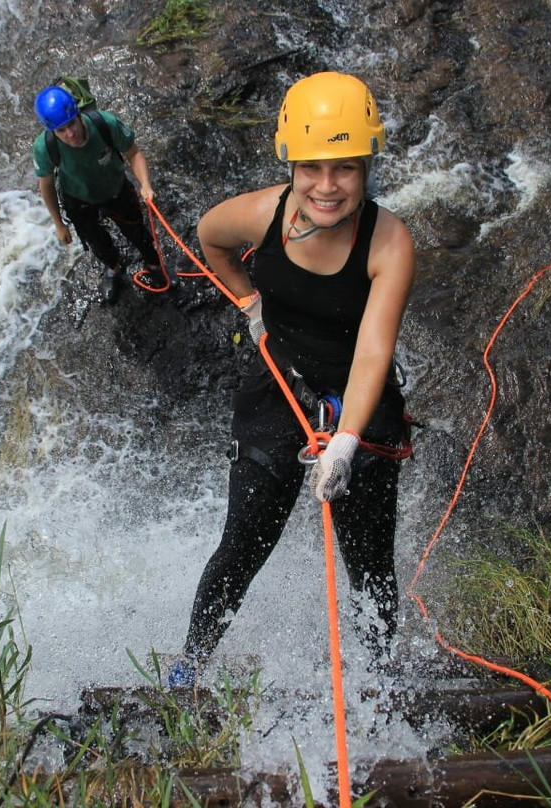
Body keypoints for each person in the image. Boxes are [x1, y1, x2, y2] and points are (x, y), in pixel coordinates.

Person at [168, 72, 416, 688]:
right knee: (242, 546)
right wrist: (250, 305)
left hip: (359, 400)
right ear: (291, 163)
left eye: (346, 168)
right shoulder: (263, 213)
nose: (327, 187)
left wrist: (349, 442)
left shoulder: (389, 243)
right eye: (312, 167)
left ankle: (378, 683)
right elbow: (209, 239)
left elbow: (372, 351)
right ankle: (189, 668)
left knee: (369, 567)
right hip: (279, 387)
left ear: (366, 166)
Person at [32, 85, 164, 304]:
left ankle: (153, 265)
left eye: (72, 124)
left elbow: (134, 153)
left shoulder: (105, 124)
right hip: (78, 200)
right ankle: (114, 269)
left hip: (115, 190)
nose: (70, 134)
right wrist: (59, 224)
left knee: (137, 231)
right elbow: (46, 185)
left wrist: (145, 184)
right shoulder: (45, 147)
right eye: (61, 130)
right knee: (97, 242)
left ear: (78, 115)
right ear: (52, 131)